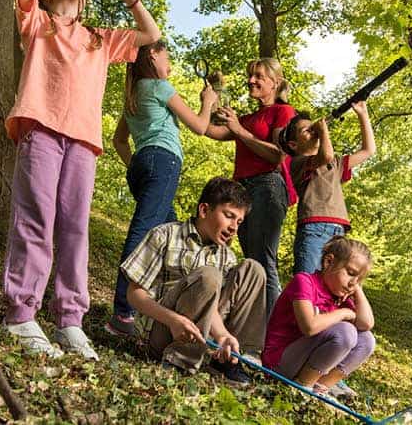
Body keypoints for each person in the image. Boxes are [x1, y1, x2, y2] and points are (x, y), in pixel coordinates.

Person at [1, 0, 162, 360]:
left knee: (75, 229)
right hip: (41, 130)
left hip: (83, 142)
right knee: (36, 220)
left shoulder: (100, 39)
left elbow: (150, 33)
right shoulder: (38, 25)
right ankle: (21, 314)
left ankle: (69, 321)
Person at [105, 42, 219, 337]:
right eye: (167, 57)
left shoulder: (134, 94)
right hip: (163, 162)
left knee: (171, 234)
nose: (170, 64)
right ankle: (123, 313)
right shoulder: (159, 86)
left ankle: (163, 312)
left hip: (143, 165)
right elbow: (200, 126)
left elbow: (119, 140)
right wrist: (207, 101)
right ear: (153, 55)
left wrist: (135, 165)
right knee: (144, 232)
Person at [121, 177, 266, 384]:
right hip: (163, 331)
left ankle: (231, 358)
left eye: (239, 221)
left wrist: (222, 335)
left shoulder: (227, 256)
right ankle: (179, 361)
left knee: (253, 269)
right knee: (209, 275)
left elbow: (211, 308)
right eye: (229, 216)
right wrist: (173, 320)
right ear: (204, 210)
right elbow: (134, 294)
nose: (234, 227)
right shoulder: (165, 235)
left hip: (203, 335)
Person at [206, 58, 296, 314]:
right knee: (251, 263)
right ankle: (253, 325)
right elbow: (210, 130)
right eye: (250, 75)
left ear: (275, 83)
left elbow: (278, 155)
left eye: (258, 76)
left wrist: (239, 130)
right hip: (242, 193)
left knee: (263, 262)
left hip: (267, 186)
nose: (251, 80)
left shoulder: (283, 111)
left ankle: (272, 332)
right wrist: (211, 99)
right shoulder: (247, 118)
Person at [263, 236, 375, 397]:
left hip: (302, 363)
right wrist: (343, 313)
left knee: (367, 340)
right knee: (346, 331)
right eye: (351, 273)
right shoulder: (304, 282)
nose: (353, 283)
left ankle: (320, 388)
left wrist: (358, 290)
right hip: (279, 362)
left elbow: (366, 324)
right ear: (328, 262)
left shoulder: (340, 296)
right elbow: (309, 327)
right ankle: (302, 388)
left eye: (359, 280)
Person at [282, 101, 375, 274]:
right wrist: (323, 131)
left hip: (338, 232)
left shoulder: (335, 163)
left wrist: (363, 114)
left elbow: (368, 150)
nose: (313, 131)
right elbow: (325, 155)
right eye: (306, 130)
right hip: (313, 229)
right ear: (293, 145)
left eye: (313, 128)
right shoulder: (298, 163)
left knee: (330, 285)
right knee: (307, 281)